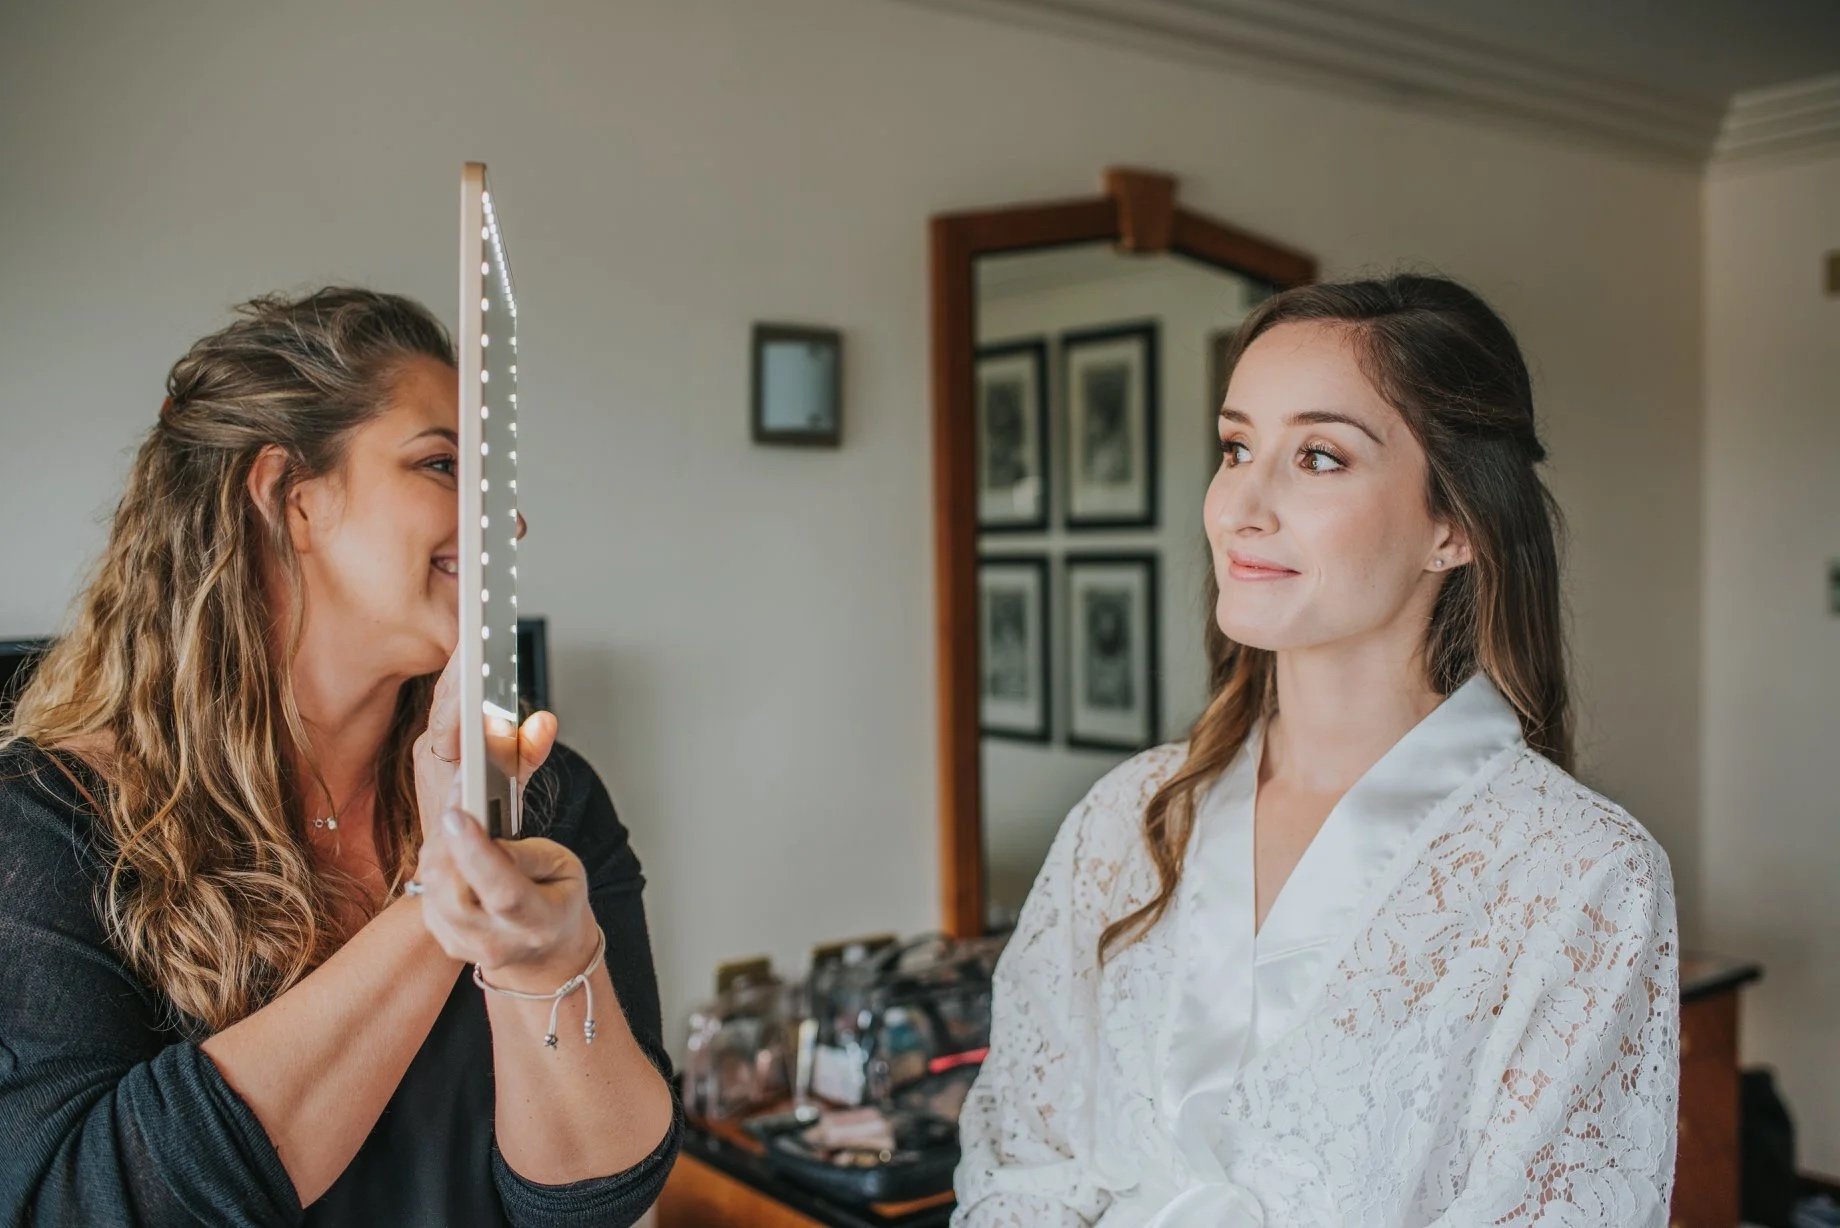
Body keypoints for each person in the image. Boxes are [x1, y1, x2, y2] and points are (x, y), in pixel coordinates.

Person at [954, 274, 1680, 1226]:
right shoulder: (1129, 820)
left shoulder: (1581, 877)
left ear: (1454, 524)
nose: (1238, 507)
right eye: (1237, 446)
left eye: (1321, 458)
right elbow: (1022, 1172)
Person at [0, 288, 681, 1225]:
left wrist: (544, 960)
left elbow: (595, 1201)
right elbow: (82, 1202)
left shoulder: (549, 802)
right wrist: (441, 904)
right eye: (443, 464)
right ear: (292, 497)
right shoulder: (47, 825)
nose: (503, 525)